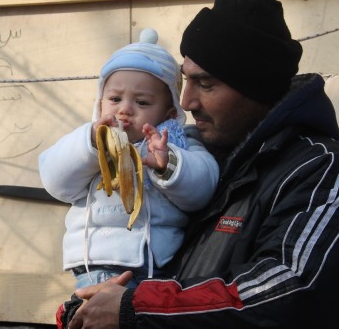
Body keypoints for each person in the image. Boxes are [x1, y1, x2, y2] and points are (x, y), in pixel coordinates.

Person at [61, 0, 339, 328]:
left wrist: (136, 307)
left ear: (255, 87)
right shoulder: (198, 165)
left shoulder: (325, 171)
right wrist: (87, 306)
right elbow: (159, 269)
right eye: (186, 80)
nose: (186, 101)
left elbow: (290, 293)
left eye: (206, 83)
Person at [39, 28, 218, 290]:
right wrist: (90, 143)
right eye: (114, 98)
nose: (124, 109)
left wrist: (167, 163)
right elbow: (56, 181)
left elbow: (203, 187)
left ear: (168, 113)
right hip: (94, 265)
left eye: (142, 102)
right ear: (99, 104)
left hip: (155, 266)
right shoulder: (86, 144)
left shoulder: (176, 144)